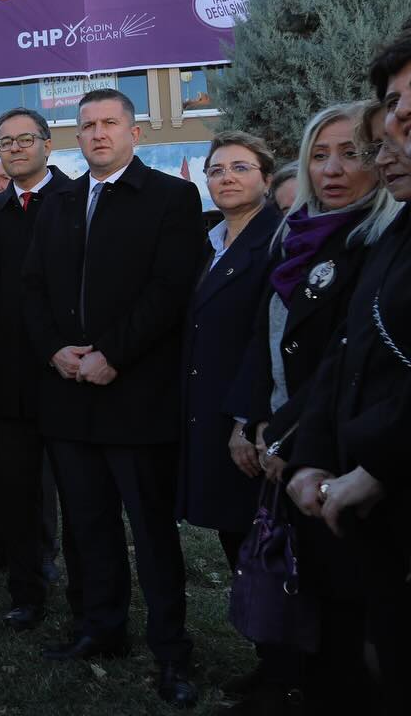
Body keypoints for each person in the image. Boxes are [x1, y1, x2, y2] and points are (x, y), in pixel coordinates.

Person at [23, 88, 204, 707]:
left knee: (151, 534)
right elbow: (33, 289)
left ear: (134, 132)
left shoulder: (171, 198)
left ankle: (172, 652)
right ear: (77, 136)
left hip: (135, 398)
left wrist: (112, 355)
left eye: (109, 124)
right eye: (87, 125)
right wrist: (55, 350)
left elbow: (169, 288)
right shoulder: (60, 202)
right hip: (69, 396)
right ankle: (102, 629)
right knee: (88, 526)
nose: (98, 134)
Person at [228, 101, 399, 710]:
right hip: (277, 439)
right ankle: (287, 673)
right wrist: (247, 421)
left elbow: (340, 367)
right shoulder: (292, 236)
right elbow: (262, 335)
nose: (331, 169)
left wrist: (289, 442)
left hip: (338, 456)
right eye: (319, 155)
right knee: (288, 572)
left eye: (351, 153)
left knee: (343, 600)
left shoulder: (377, 247)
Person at [288, 41, 411, 710]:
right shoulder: (383, 240)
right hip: (334, 477)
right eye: (391, 120)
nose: (389, 148)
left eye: (359, 150)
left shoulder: (374, 234)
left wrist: (379, 463)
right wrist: (303, 452)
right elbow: (343, 353)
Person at [174, 132, 284, 702]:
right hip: (207, 417)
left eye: (241, 168)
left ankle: (285, 668)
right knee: (237, 543)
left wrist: (248, 419)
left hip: (249, 425)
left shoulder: (279, 241)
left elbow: (269, 341)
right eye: (216, 170)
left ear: (266, 177)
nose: (226, 178)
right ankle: (270, 659)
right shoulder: (211, 240)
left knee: (262, 546)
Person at [0, 108, 76, 632]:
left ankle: (86, 594)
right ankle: (27, 590)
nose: (15, 148)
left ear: (47, 143)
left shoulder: (78, 200)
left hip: (69, 375)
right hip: (10, 379)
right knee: (14, 491)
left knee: (79, 494)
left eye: (25, 139)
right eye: (5, 141)